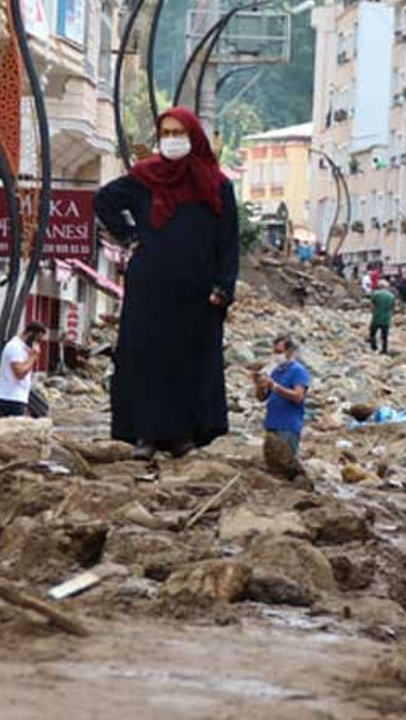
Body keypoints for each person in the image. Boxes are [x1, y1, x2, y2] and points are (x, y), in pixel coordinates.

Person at [94, 107, 239, 460]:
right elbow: (104, 200)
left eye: (179, 133)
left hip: (196, 291)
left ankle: (183, 435)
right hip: (149, 288)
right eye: (166, 133)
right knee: (145, 358)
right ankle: (143, 435)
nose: (172, 140)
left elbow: (228, 241)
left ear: (194, 136)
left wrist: (224, 285)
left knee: (188, 360)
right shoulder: (145, 178)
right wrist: (129, 237)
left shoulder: (217, 185)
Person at [253, 334, 311, 477]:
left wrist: (274, 386)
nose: (276, 356)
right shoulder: (274, 370)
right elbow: (262, 398)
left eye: (279, 352)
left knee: (285, 465)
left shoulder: (298, 371)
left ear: (289, 351)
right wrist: (260, 385)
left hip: (288, 426)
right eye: (275, 352)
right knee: (272, 465)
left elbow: (298, 396)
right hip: (272, 423)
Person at [0, 321, 47, 418]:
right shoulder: (15, 347)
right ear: (30, 334)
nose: (37, 344)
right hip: (11, 398)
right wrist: (33, 357)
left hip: (18, 397)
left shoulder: (23, 349)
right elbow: (19, 373)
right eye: (37, 340)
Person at [369, 279, 396, 354]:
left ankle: (373, 347)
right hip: (386, 318)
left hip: (377, 316)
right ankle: (384, 349)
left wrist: (373, 311)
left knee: (372, 333)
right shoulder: (391, 296)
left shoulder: (376, 294)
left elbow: (372, 305)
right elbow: (393, 307)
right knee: (384, 335)